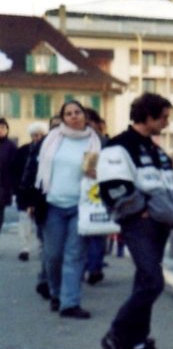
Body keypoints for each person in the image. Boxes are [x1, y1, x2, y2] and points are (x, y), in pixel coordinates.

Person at [97, 93, 173, 349]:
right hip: (140, 223)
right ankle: (116, 335)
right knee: (153, 281)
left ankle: (138, 343)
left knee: (145, 282)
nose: (167, 123)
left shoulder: (153, 148)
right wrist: (138, 211)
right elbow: (113, 187)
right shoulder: (119, 146)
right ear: (147, 116)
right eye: (164, 117)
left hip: (158, 223)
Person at [34, 101, 102, 318]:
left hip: (81, 206)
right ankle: (55, 293)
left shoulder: (95, 141)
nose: (74, 116)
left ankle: (70, 303)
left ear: (84, 116)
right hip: (53, 204)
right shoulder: (53, 139)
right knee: (53, 255)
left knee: (75, 256)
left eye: (77, 112)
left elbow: (102, 171)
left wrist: (96, 172)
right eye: (68, 114)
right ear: (63, 118)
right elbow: (35, 168)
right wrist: (30, 201)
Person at [13, 122, 47, 261]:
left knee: (40, 221)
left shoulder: (48, 151)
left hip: (40, 192)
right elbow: (14, 170)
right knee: (24, 220)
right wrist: (17, 188)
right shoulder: (22, 151)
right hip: (24, 191)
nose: (37, 137)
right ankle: (24, 248)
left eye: (40, 135)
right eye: (34, 135)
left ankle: (42, 247)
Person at [83, 108, 110, 285]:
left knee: (91, 232)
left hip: (89, 190)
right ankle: (95, 266)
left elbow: (88, 169)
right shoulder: (103, 139)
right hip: (98, 191)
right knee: (98, 231)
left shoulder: (94, 140)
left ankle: (92, 267)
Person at [0, 118, 17, 251]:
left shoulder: (11, 146)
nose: (1, 130)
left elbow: (14, 168)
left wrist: (11, 188)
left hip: (3, 187)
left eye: (3, 127)